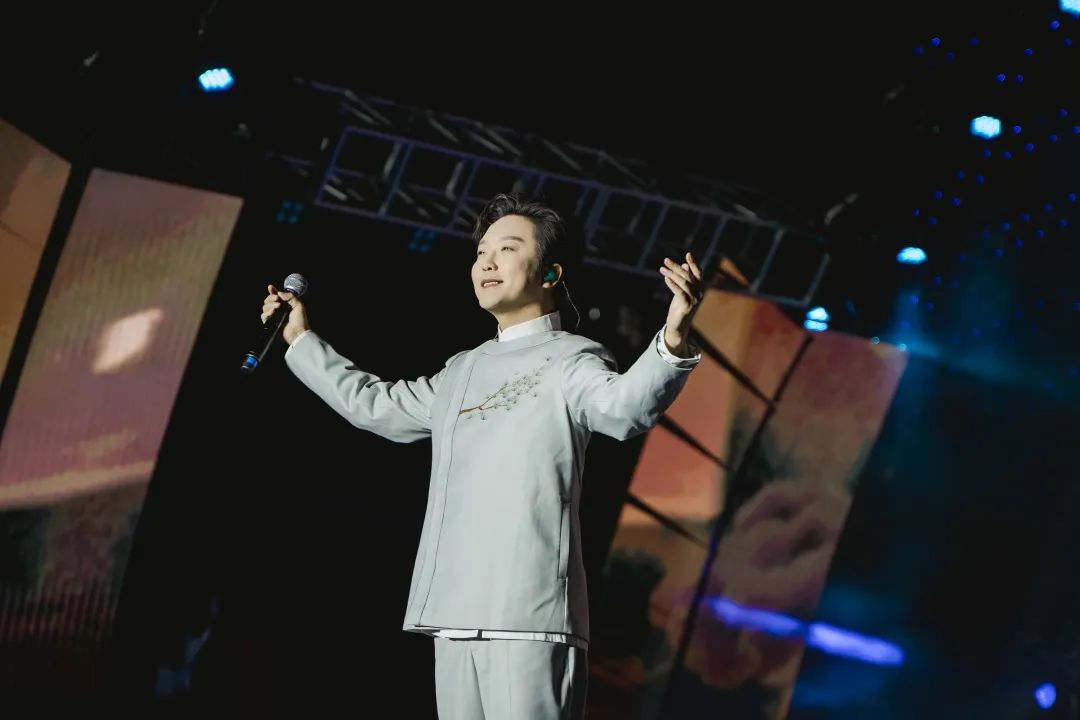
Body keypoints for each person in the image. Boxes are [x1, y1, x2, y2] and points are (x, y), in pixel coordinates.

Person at [260, 193, 703, 719]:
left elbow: (625, 409)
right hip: (451, 609)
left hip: (529, 612)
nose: (487, 262)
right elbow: (375, 406)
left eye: (507, 249)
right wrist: (300, 339)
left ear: (551, 273)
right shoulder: (462, 370)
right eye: (481, 252)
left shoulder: (570, 358)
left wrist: (673, 336)